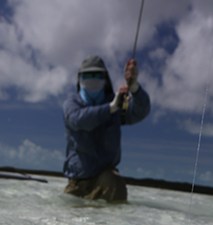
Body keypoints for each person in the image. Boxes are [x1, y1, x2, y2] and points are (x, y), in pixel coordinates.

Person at [62, 55, 150, 202]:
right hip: (77, 182)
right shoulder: (71, 103)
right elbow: (78, 120)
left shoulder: (116, 101)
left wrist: (134, 88)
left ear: (105, 78)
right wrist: (110, 108)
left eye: (97, 74)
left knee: (116, 183)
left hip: (105, 177)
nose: (93, 78)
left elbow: (140, 112)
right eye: (87, 75)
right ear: (80, 78)